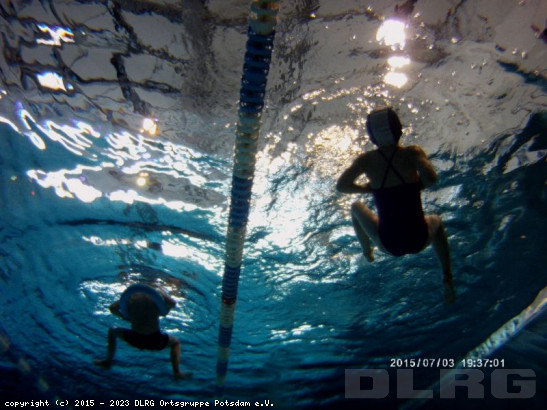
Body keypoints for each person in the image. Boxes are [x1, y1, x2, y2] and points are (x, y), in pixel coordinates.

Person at [336, 107, 455, 303]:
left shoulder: (366, 160)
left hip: (388, 244)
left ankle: (367, 251)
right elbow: (431, 178)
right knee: (437, 221)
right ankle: (447, 275)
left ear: (372, 137)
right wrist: (416, 186)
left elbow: (342, 186)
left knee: (356, 206)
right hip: (419, 237)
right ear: (399, 130)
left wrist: (369, 189)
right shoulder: (412, 153)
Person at [94, 283, 192, 379]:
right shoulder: (155, 299)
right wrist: (162, 294)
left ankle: (108, 361)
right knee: (176, 342)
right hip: (155, 339)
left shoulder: (130, 299)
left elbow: (113, 309)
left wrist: (125, 317)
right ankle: (177, 372)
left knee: (112, 331)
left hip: (134, 338)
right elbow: (172, 303)